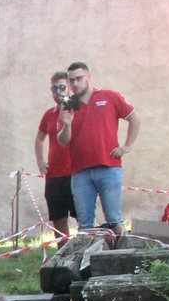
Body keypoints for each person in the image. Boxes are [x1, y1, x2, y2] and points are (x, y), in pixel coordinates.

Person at [57, 62, 141, 235]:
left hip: (108, 166)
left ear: (89, 76)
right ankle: (88, 260)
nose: (75, 84)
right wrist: (67, 125)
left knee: (114, 220)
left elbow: (134, 118)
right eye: (71, 80)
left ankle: (120, 256)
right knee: (85, 224)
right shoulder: (67, 103)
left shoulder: (109, 96)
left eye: (79, 78)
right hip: (80, 171)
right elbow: (62, 141)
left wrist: (126, 146)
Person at [34, 71, 77, 237]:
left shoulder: (77, 109)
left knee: (83, 217)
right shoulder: (49, 114)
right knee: (58, 220)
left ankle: (83, 256)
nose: (57, 92)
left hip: (75, 172)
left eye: (61, 87)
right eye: (53, 89)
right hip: (54, 174)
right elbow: (39, 139)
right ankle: (62, 257)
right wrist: (40, 161)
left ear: (69, 88)